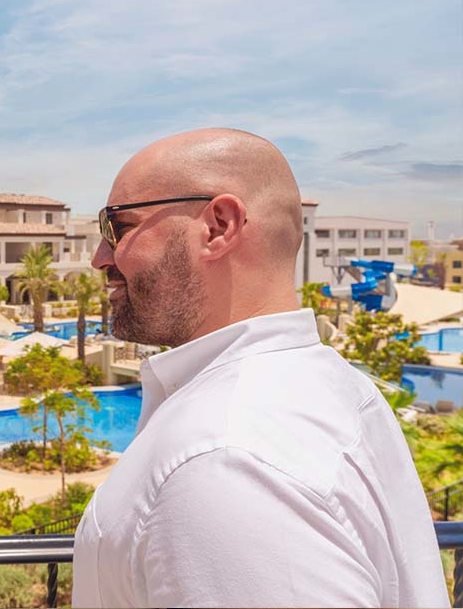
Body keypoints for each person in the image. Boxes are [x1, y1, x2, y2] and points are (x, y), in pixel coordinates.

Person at [73, 128, 448, 607]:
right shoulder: (336, 387)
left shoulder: (226, 462)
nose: (99, 258)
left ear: (219, 227)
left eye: (117, 227)